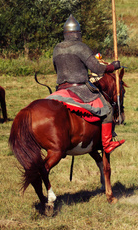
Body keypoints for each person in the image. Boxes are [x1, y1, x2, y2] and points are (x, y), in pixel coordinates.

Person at [51, 14, 124, 154]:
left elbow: (56, 68)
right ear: (77, 33)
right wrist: (113, 67)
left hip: (60, 89)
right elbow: (96, 68)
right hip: (80, 89)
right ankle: (107, 143)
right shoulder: (81, 47)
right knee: (107, 109)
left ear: (65, 33)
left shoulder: (57, 48)